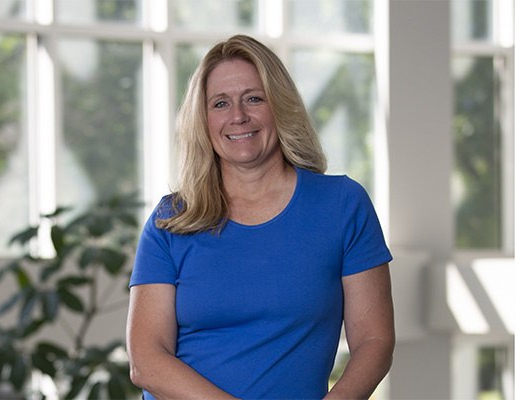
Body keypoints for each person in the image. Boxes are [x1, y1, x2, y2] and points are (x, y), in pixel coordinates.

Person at [126, 34, 394, 400]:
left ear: (280, 106)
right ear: (203, 120)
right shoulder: (171, 220)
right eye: (220, 103)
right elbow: (146, 360)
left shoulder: (342, 205)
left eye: (254, 98)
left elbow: (374, 341)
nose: (238, 116)